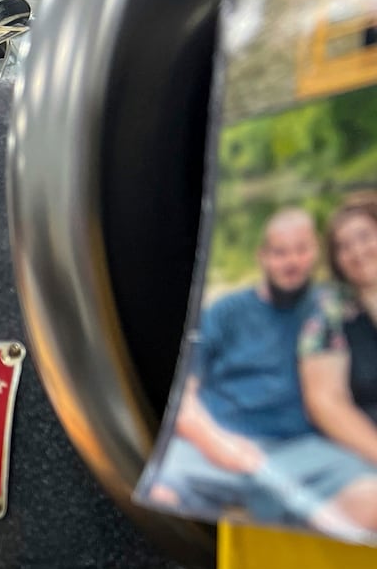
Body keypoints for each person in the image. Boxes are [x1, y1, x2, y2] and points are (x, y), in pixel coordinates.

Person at [148, 206, 377, 538]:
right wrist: (214, 442)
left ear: (314, 253)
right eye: (280, 252)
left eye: (301, 250)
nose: (291, 262)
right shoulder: (226, 312)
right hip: (218, 443)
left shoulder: (328, 307)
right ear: (262, 256)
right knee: (160, 492)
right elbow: (182, 394)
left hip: (301, 451)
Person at [301, 192, 377, 466]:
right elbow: (325, 403)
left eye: (365, 237)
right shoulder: (327, 315)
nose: (357, 252)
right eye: (343, 246)